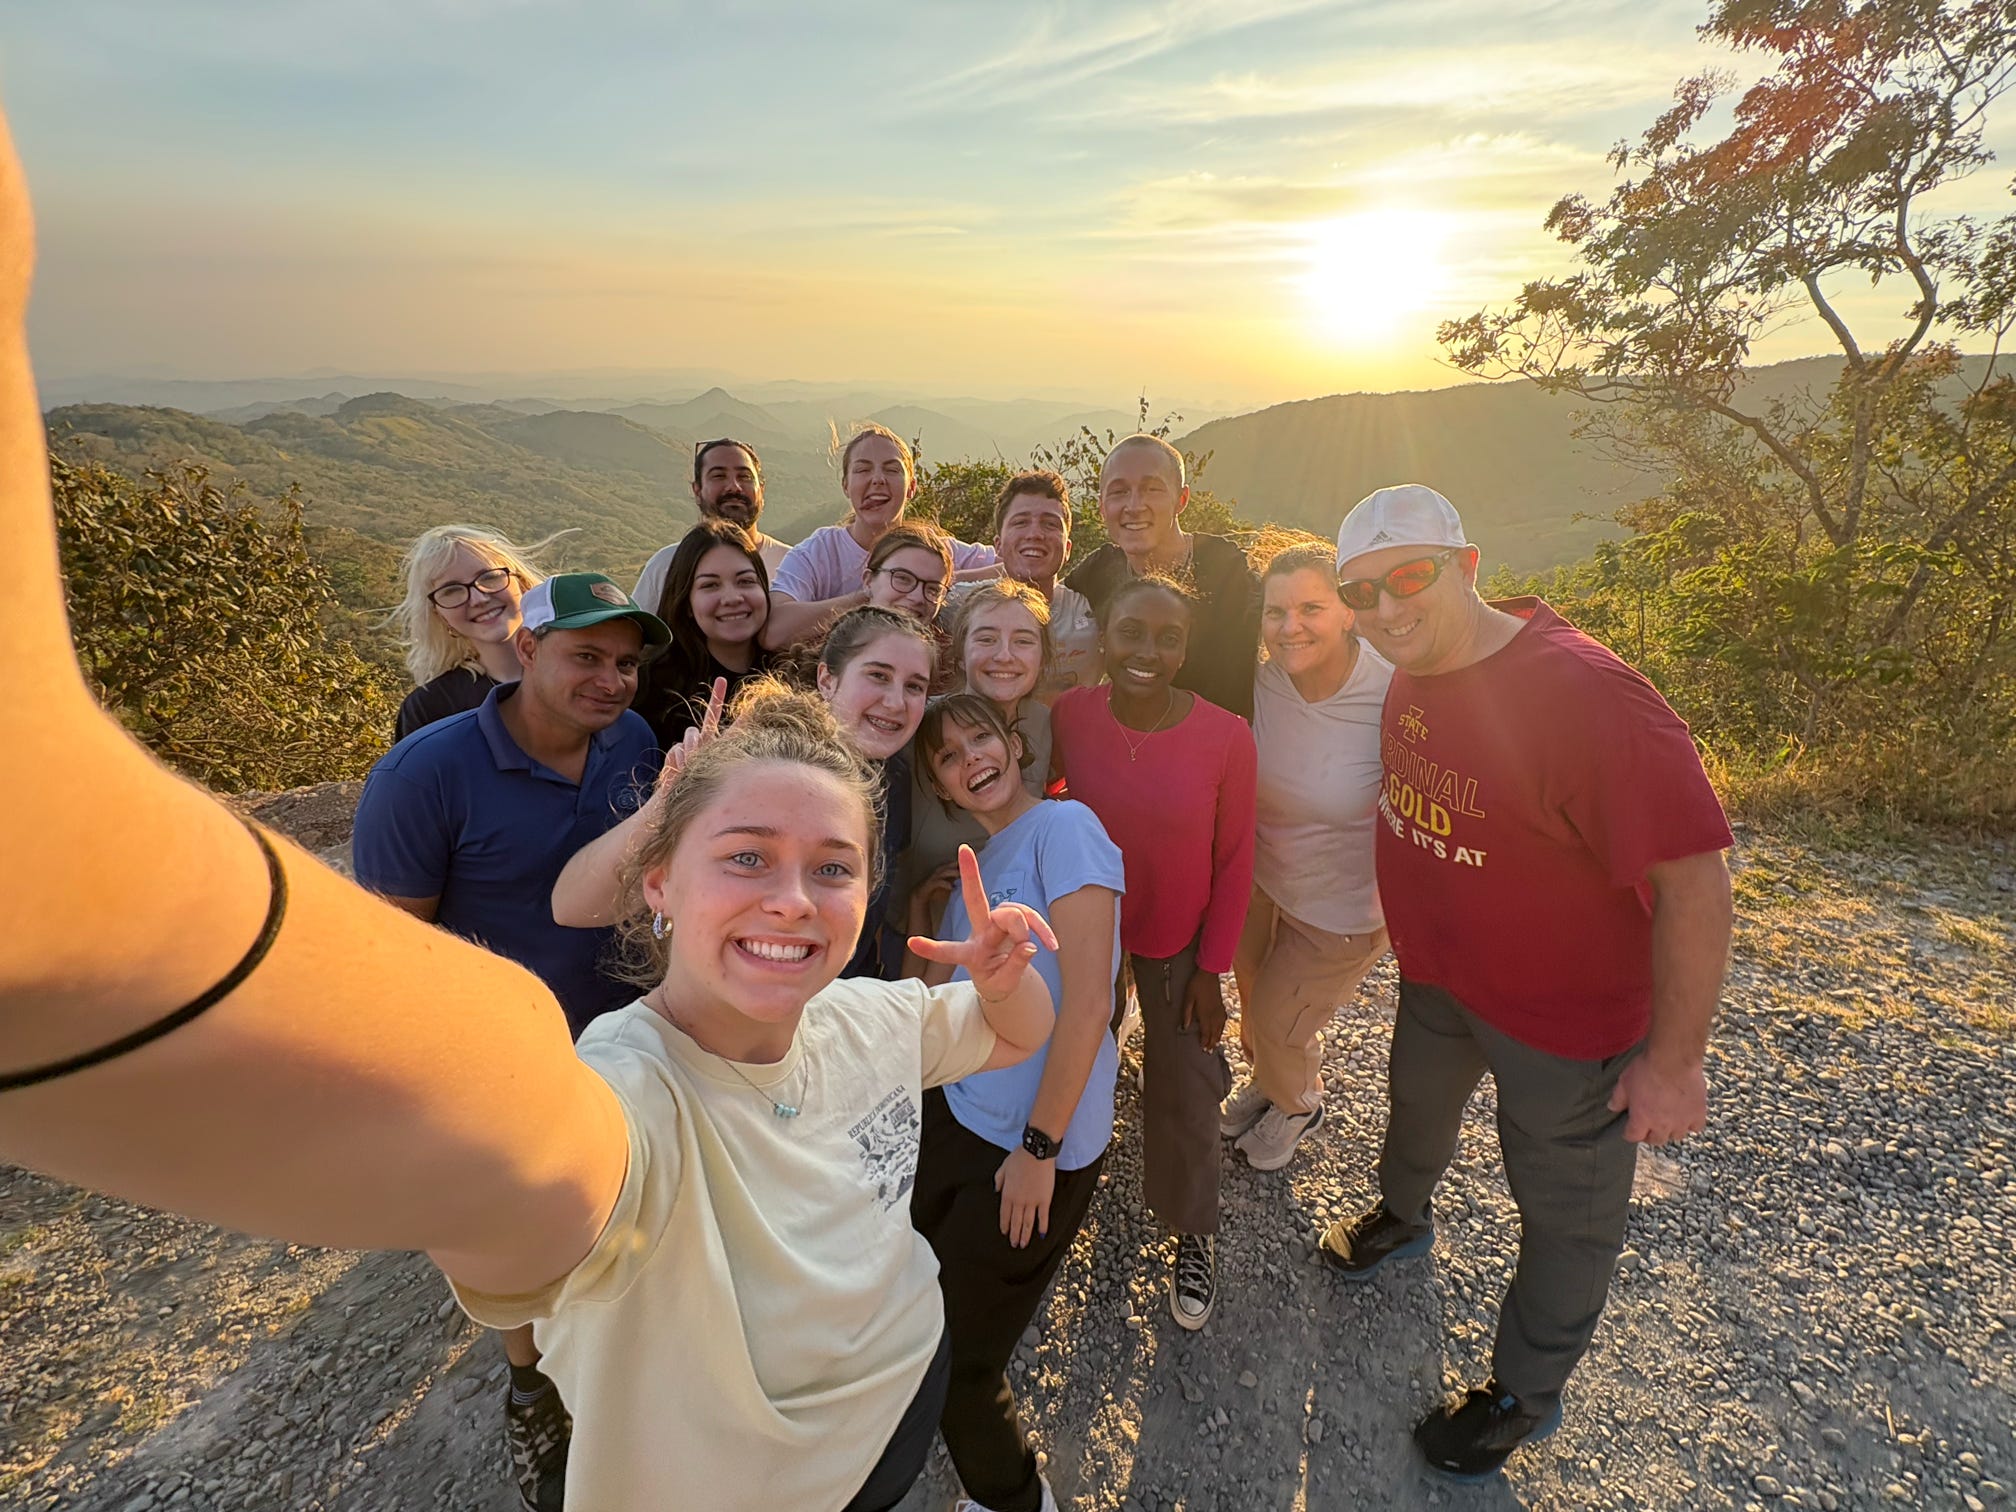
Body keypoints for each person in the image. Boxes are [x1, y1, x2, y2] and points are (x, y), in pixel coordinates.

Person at [0, 111, 1059, 1512]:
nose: (799, 898)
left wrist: (1012, 987)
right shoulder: (609, 1093)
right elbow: (325, 1050)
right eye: (749, 857)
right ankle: (532, 1383)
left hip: (890, 1416)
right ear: (662, 880)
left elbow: (1001, 1032)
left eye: (833, 866)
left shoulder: (860, 1012)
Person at [1317, 484, 1734, 1482]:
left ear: (1466, 568)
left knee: (1568, 1213)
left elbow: (1697, 882)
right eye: (1359, 591)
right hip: (1443, 982)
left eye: (1407, 577)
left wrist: (1675, 1065)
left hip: (1566, 1026)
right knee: (1413, 1110)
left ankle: (1522, 1393)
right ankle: (1402, 1218)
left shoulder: (1588, 696)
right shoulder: (1416, 663)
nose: (1383, 608)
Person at [353, 570, 669, 1509]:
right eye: (586, 656)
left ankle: (619, 1358)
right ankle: (533, 1388)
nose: (611, 680)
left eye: (624, 663)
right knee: (518, 1238)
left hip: (624, 1036)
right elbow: (390, 948)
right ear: (526, 649)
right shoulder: (425, 773)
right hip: (496, 1055)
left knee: (617, 1208)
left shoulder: (635, 742)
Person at [904, 695, 1123, 1512]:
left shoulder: (1065, 830)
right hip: (959, 1114)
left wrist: (1038, 1152)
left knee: (968, 1366)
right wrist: (928, 915)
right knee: (918, 1294)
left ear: (1013, 743)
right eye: (948, 757)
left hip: (1031, 1146)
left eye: (980, 738)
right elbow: (936, 1009)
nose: (970, 759)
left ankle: (1014, 1500)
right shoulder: (975, 869)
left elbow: (1089, 1003)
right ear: (945, 788)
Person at [1049, 576, 1256, 1330]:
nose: (1147, 651)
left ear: (1187, 648)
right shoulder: (1070, 716)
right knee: (1079, 1057)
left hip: (1178, 933)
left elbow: (1235, 859)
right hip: (1091, 927)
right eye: (1131, 632)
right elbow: (1036, 800)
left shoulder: (1227, 735)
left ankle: (1192, 1225)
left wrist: (1212, 969)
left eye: (1168, 637)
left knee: (1186, 1086)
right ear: (1104, 637)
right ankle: (1063, 1183)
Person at [555, 607, 937, 983]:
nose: (895, 701)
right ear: (827, 679)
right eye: (878, 675)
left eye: (914, 686)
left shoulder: (897, 780)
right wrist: (671, 801)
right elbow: (572, 906)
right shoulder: (754, 771)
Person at [1220, 542, 1394, 1171]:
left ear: (1349, 610)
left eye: (1311, 608)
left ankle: (1298, 1104)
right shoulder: (1262, 677)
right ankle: (1273, 1083)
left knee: (1277, 1018)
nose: (1289, 628)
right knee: (1255, 1001)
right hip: (1263, 878)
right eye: (1276, 612)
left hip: (1343, 904)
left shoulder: (1391, 690)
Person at [1064, 434, 1260, 719]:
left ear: (1181, 499)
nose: (1134, 505)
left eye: (1151, 489)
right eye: (1119, 492)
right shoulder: (1101, 570)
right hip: (1132, 747)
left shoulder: (1225, 568)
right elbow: (1041, 600)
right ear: (1102, 506)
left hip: (1218, 749)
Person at [901, 580, 1055, 929]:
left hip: (1015, 925)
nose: (1004, 655)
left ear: (1042, 658)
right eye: (986, 639)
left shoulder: (1044, 725)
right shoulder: (917, 724)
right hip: (921, 931)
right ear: (960, 654)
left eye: (1023, 641)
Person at [763, 424, 997, 648]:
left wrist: (947, 579)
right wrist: (874, 594)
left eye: (892, 469)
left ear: (911, 487)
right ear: (846, 485)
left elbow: (1017, 568)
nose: (877, 479)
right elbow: (774, 631)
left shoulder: (935, 551)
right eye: (863, 470)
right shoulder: (820, 551)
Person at [389, 524, 555, 741]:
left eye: (489, 577)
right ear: (439, 615)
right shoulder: (431, 709)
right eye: (451, 590)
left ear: (521, 582)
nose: (479, 599)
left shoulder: (585, 673)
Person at [946, 470, 1100, 697]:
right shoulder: (956, 605)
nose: (1035, 534)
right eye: (1021, 522)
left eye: (1050, 524)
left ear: (1068, 549)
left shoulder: (1091, 615)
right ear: (998, 545)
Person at [632, 518, 775, 747]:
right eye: (710, 585)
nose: (732, 598)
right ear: (687, 603)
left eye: (745, 581)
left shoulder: (792, 674)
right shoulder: (652, 691)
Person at [632, 437, 790, 615]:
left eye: (744, 477)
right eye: (718, 476)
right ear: (697, 491)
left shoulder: (794, 564)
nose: (734, 487)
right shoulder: (666, 564)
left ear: (761, 490)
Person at [862, 521, 955, 624]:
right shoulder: (842, 638)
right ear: (868, 581)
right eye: (903, 578)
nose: (918, 598)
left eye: (933, 589)